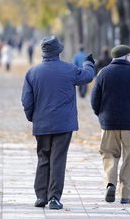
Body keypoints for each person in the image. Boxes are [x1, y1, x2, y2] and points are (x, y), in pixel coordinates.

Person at [21, 36, 95, 210]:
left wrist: (33, 117)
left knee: (43, 158)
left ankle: (41, 196)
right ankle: (54, 197)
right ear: (58, 52)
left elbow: (26, 101)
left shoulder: (32, 72)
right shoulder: (69, 69)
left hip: (42, 124)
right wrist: (89, 63)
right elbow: (88, 76)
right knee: (58, 160)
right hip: (64, 124)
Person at [90, 44, 130, 205]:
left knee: (109, 154)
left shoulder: (103, 73)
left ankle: (110, 183)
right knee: (129, 158)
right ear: (126, 57)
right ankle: (126, 194)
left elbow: (94, 99)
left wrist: (101, 115)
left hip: (109, 123)